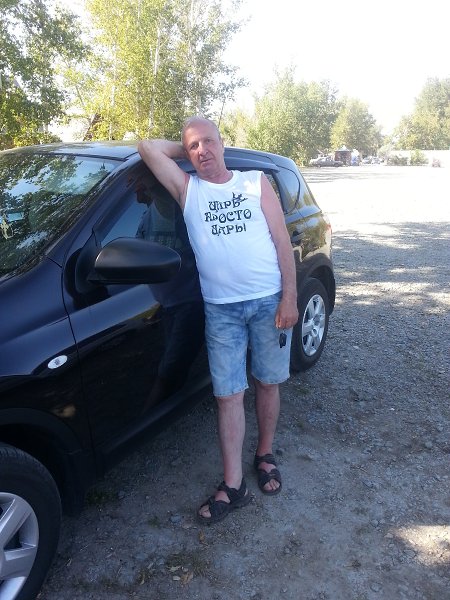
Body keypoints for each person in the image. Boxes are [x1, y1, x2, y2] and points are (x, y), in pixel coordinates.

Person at [138, 116, 298, 524]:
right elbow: (147, 148)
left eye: (208, 142)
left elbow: (282, 241)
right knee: (227, 394)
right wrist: (188, 148)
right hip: (221, 309)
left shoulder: (254, 182)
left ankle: (265, 454)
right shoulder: (188, 190)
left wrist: (289, 298)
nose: (202, 151)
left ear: (223, 143)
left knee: (268, 382)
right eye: (193, 146)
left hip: (268, 301)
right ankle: (233, 484)